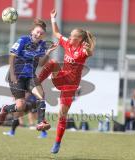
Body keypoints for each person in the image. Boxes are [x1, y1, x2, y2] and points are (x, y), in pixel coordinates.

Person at [38, 9, 96, 153]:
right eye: (70, 35)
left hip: (70, 86)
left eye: (73, 36)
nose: (69, 38)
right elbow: (57, 33)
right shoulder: (68, 44)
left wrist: (89, 49)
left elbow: (89, 53)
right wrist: (52, 18)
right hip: (61, 77)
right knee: (53, 63)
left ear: (80, 39)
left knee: (62, 114)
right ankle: (35, 83)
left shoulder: (83, 49)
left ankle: (57, 143)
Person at [0, 19, 57, 133]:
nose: (38, 34)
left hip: (30, 76)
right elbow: (12, 56)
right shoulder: (23, 40)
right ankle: (5, 108)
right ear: (32, 31)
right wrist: (12, 74)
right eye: (37, 32)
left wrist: (48, 53)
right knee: (20, 106)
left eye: (41, 33)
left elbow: (41, 63)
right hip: (17, 75)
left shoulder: (42, 45)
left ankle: (41, 122)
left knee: (41, 95)